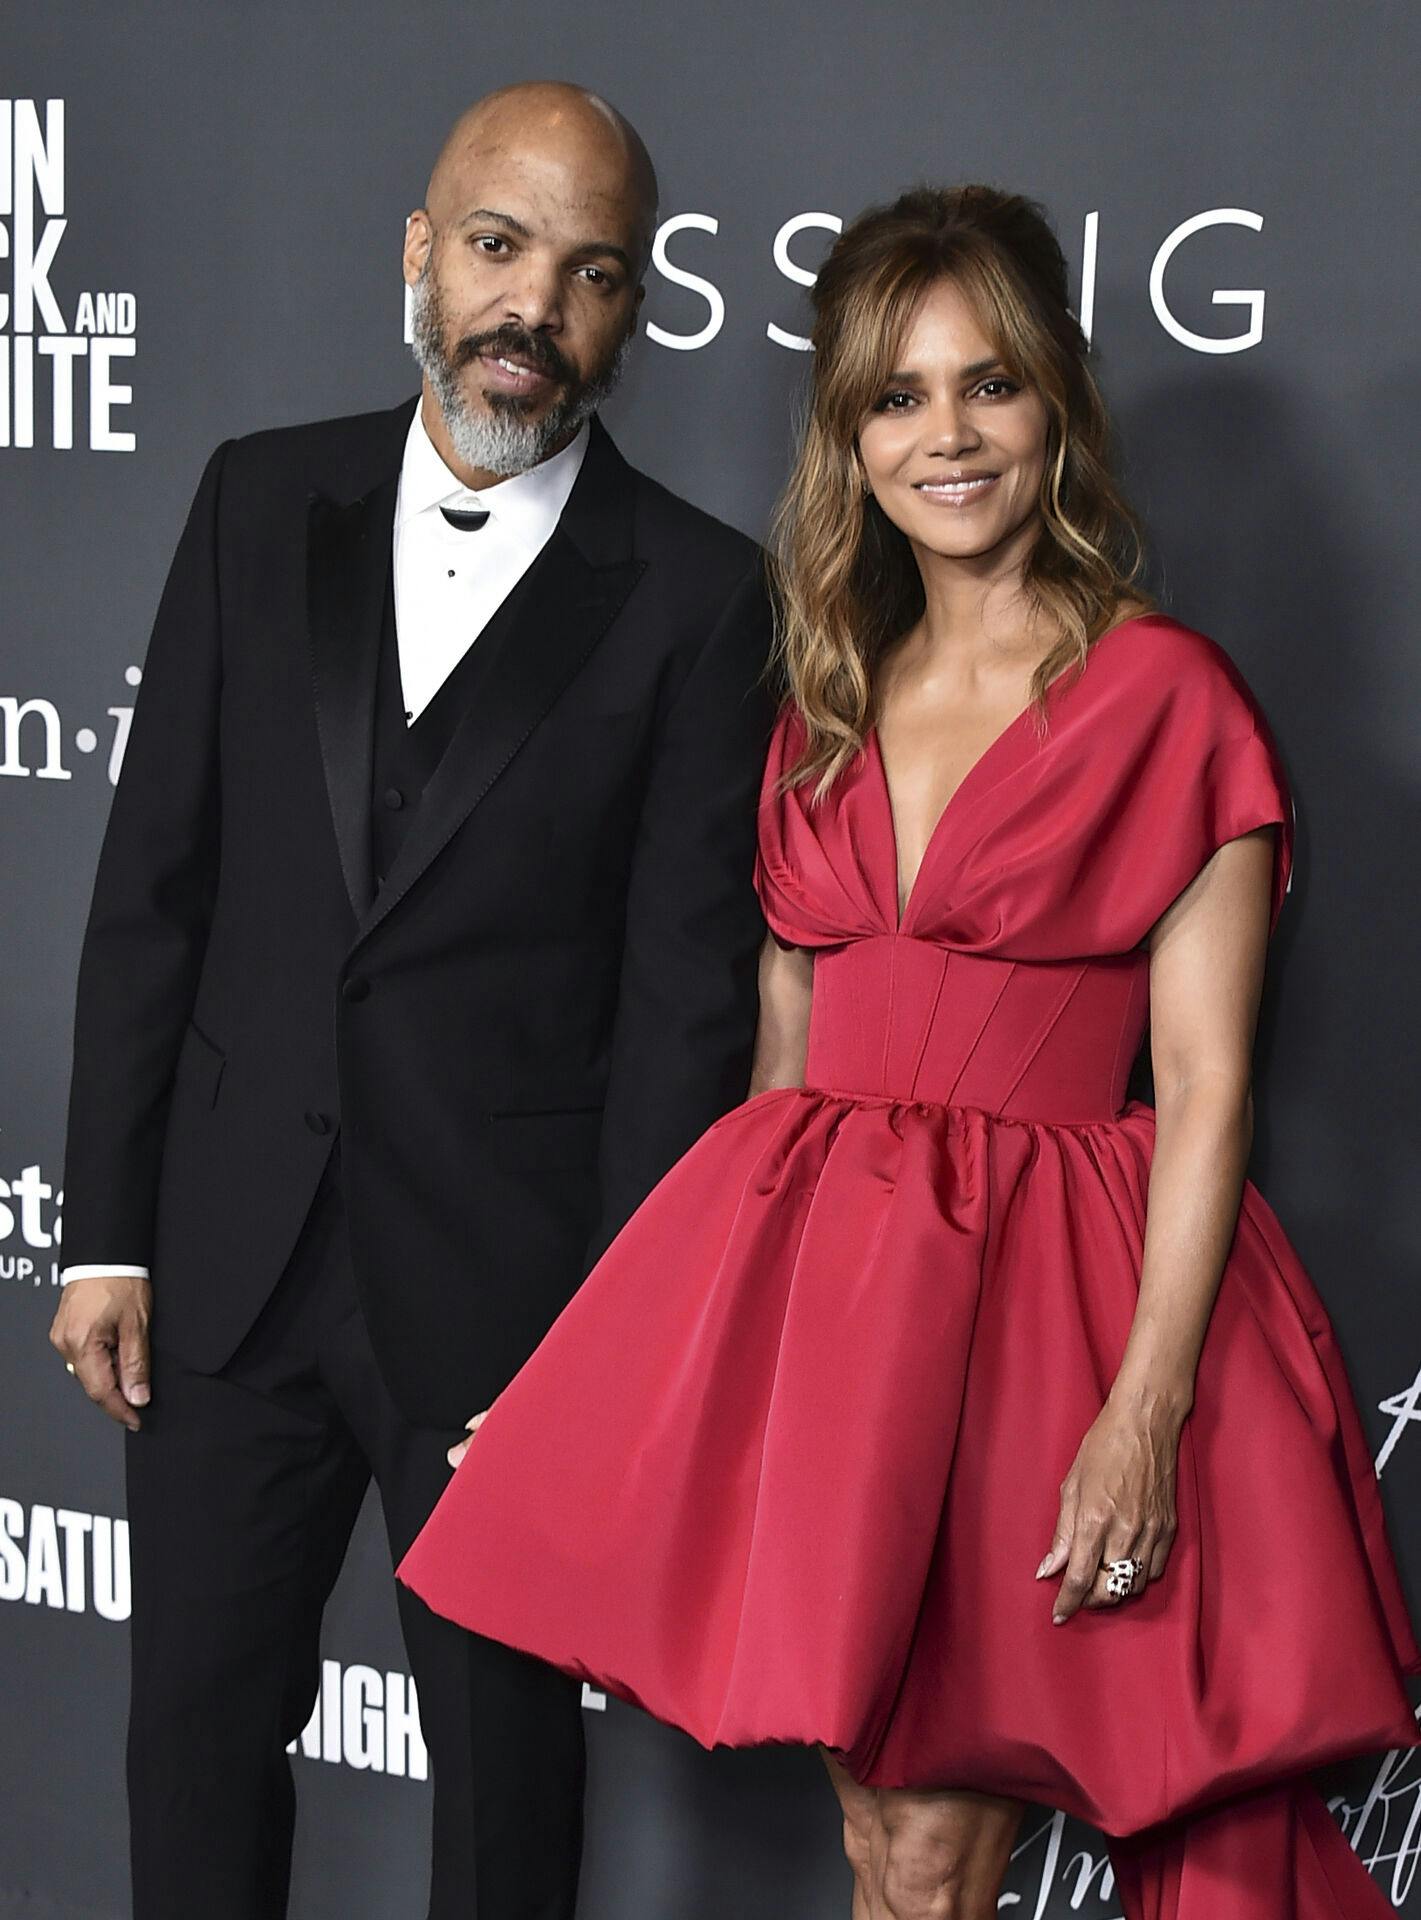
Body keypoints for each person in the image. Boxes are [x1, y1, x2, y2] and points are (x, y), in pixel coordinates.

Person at [398, 185, 1420, 1918]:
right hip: (842, 1332)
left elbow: (1208, 1093)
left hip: (1041, 1324)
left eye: (988, 384)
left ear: (1054, 410)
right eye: (894, 395)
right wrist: (620, 1379)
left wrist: (1142, 1413)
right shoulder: (827, 694)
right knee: (882, 1840)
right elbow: (774, 1095)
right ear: (847, 437)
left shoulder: (1168, 696)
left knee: (943, 1847)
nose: (945, 436)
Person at [49, 83, 772, 1920]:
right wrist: (106, 1231)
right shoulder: (254, 496)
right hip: (223, 1268)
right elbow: (154, 893)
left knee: (506, 1819)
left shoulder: (704, 598)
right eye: (499, 246)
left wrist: (598, 1360)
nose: (532, 307)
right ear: (419, 256)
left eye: (589, 272)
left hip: (506, 1323)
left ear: (632, 310)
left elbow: (681, 1012)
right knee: (193, 1768)